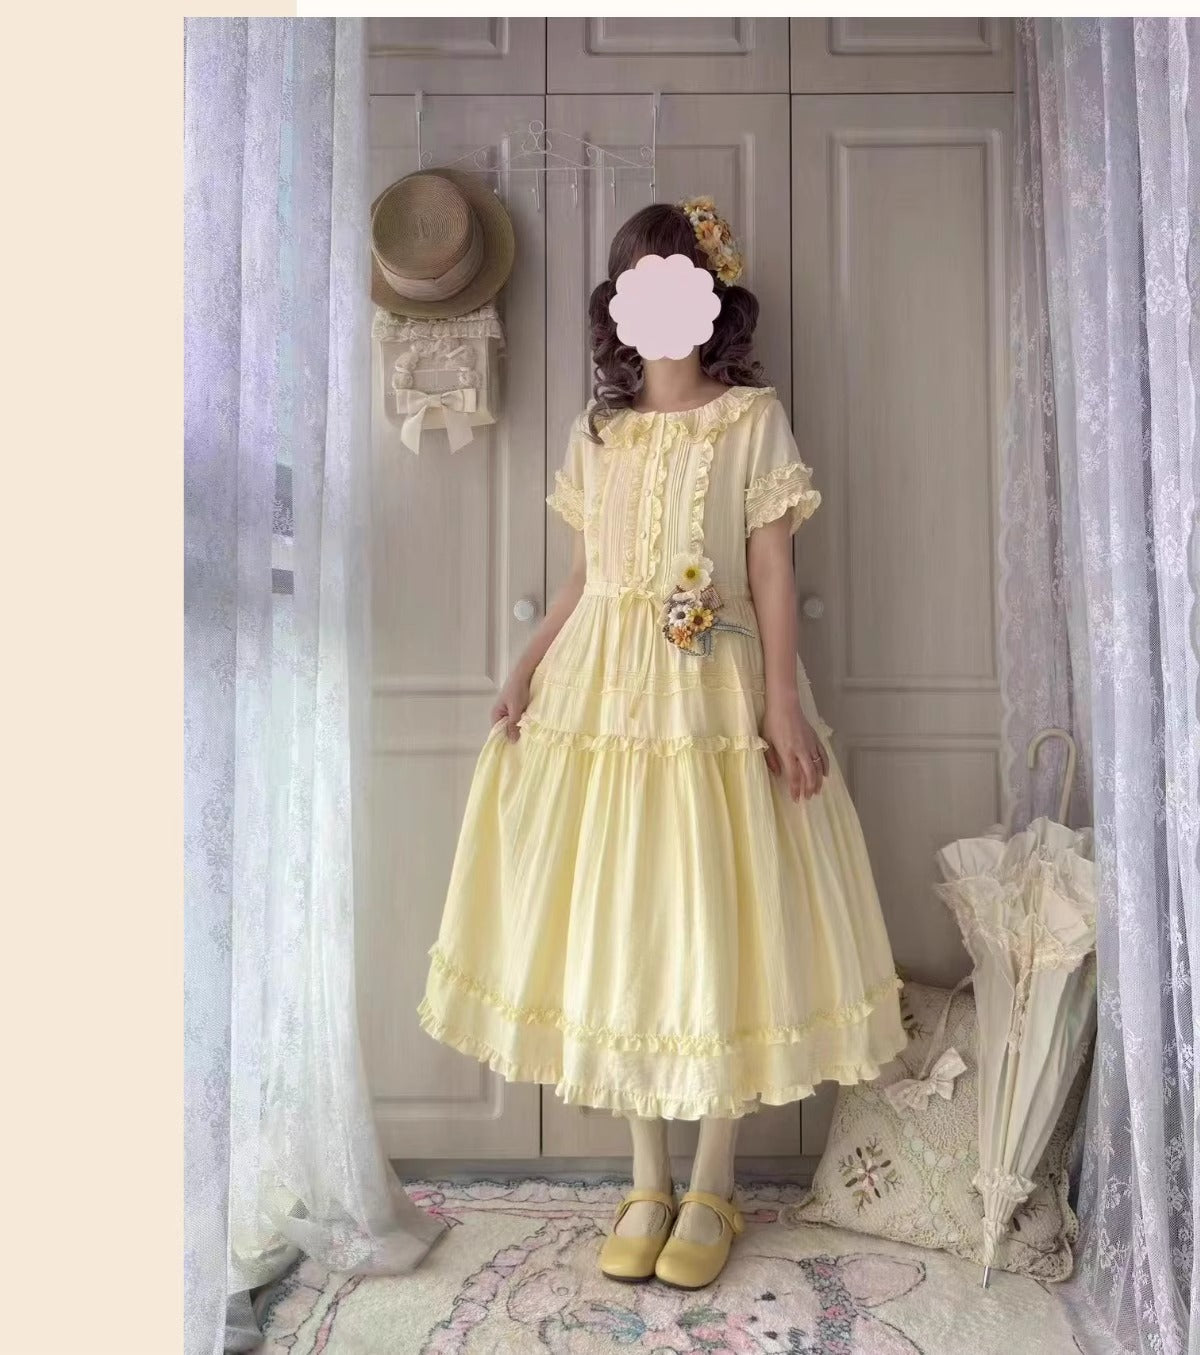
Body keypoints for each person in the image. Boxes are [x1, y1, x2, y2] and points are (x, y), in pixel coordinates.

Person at [418, 198, 905, 1289]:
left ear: (711, 298)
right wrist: (528, 661)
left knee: (720, 916)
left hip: (712, 694)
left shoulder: (751, 420)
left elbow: (771, 568)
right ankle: (645, 1178)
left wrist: (780, 702)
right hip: (602, 698)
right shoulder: (598, 433)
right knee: (623, 921)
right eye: (639, 286)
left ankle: (715, 1181)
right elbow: (586, 576)